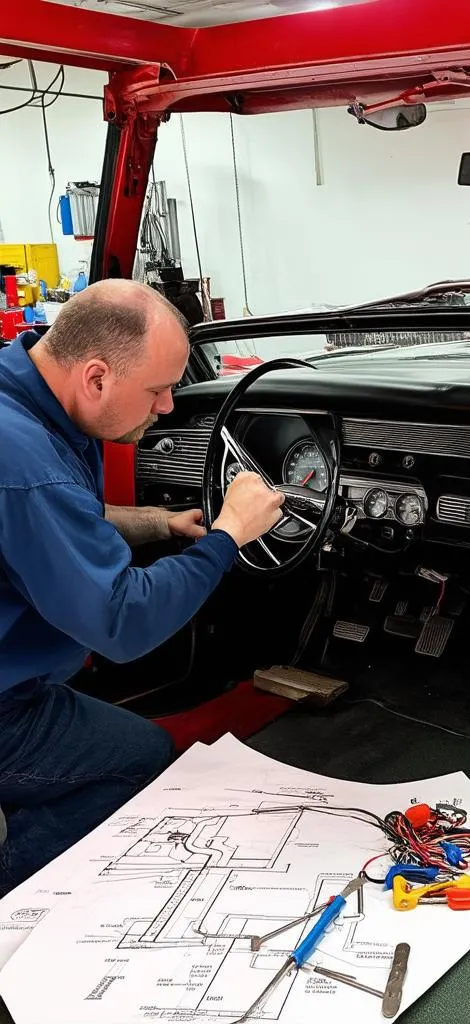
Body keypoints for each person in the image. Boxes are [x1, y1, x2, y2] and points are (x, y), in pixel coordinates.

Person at [0, 279, 284, 895]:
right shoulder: (28, 464)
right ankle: (15, 898)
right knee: (141, 759)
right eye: (157, 390)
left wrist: (160, 523)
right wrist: (229, 534)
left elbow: (67, 515)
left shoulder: (21, 394)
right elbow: (123, 624)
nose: (167, 409)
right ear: (97, 377)